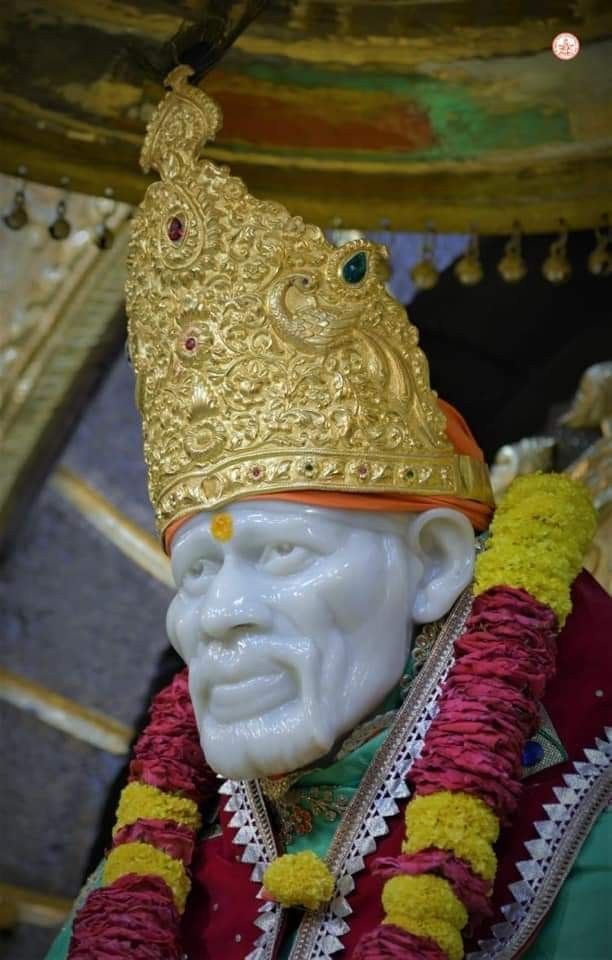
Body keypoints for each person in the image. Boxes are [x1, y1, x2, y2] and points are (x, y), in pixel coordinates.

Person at [47, 67, 611, 960]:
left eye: (280, 555)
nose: (219, 613)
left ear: (430, 563)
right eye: (196, 571)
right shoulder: (155, 856)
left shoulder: (592, 823)